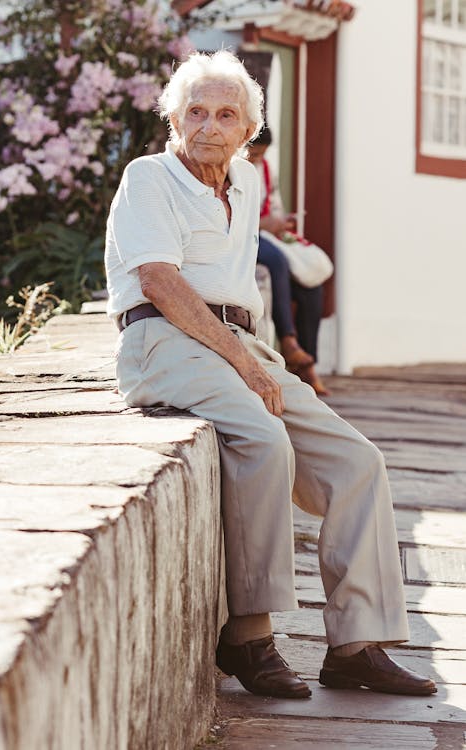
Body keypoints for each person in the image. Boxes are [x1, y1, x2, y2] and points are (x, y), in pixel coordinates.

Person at [105, 50, 436, 700]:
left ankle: (356, 645)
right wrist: (238, 355)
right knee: (264, 440)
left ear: (248, 130)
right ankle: (249, 636)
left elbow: (239, 282)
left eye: (226, 114)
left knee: (357, 463)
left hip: (240, 345)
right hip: (162, 339)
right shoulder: (148, 176)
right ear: (172, 116)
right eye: (195, 110)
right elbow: (160, 283)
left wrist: (253, 354)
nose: (208, 125)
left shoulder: (249, 180)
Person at [248, 127, 329, 396]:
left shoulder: (265, 170)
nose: (257, 159)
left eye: (261, 155)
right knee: (278, 263)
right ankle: (289, 340)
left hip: (267, 235)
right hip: (246, 237)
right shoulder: (231, 169)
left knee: (310, 286)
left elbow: (274, 204)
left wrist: (280, 223)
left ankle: (307, 365)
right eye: (254, 153)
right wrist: (262, 223)